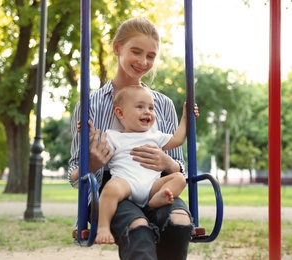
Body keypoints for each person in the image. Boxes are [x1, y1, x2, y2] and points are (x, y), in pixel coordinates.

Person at [68, 17, 195, 260]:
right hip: (114, 189)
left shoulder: (163, 105)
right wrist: (92, 164)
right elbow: (75, 173)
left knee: (179, 221)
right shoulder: (89, 106)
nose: (143, 62)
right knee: (138, 228)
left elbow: (179, 166)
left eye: (150, 56)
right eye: (136, 52)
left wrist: (168, 163)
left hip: (155, 187)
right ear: (117, 48)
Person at [94, 85, 198, 244]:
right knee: (110, 189)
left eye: (151, 108)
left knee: (179, 178)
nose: (147, 111)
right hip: (126, 182)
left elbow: (177, 140)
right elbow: (98, 151)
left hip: (152, 186)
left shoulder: (155, 136)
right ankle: (103, 227)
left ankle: (158, 198)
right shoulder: (113, 136)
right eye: (140, 107)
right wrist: (86, 134)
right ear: (120, 113)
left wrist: (186, 117)